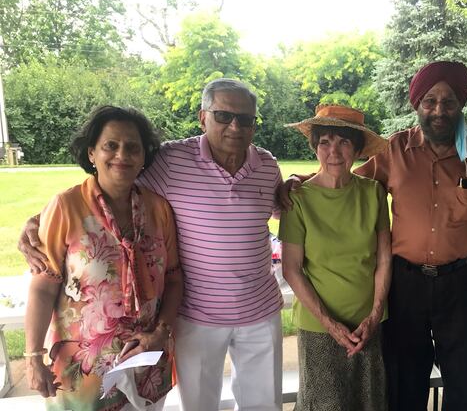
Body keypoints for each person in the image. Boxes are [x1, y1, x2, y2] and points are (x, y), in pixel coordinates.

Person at [19, 79, 284, 411]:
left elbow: (282, 204)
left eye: (245, 119)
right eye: (223, 115)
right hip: (195, 316)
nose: (235, 126)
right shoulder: (172, 161)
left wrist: (299, 185)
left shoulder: (267, 166)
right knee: (200, 406)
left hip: (257, 312)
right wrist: (37, 222)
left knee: (266, 405)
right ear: (203, 117)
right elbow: (101, 189)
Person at [343, 61, 467, 410]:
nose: (439, 110)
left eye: (448, 101)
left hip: (462, 284)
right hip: (405, 285)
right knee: (404, 383)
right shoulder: (393, 151)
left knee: (463, 386)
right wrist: (302, 183)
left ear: (460, 104)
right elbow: (347, 187)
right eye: (429, 101)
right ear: (416, 104)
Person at [23, 106, 183, 410]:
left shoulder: (158, 209)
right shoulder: (65, 207)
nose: (122, 154)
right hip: (84, 372)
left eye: (132, 147)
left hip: (145, 362)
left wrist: (160, 333)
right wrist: (33, 356)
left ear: (143, 157)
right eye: (111, 145)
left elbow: (174, 277)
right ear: (92, 153)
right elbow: (43, 287)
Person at [279, 104, 391, 411]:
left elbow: (384, 260)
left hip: (369, 325)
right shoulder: (298, 198)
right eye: (325, 142)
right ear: (315, 147)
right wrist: (330, 324)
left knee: (370, 402)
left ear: (357, 149)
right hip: (318, 326)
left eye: (343, 142)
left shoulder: (373, 193)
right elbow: (292, 269)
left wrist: (374, 314)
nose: (334, 151)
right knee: (324, 405)